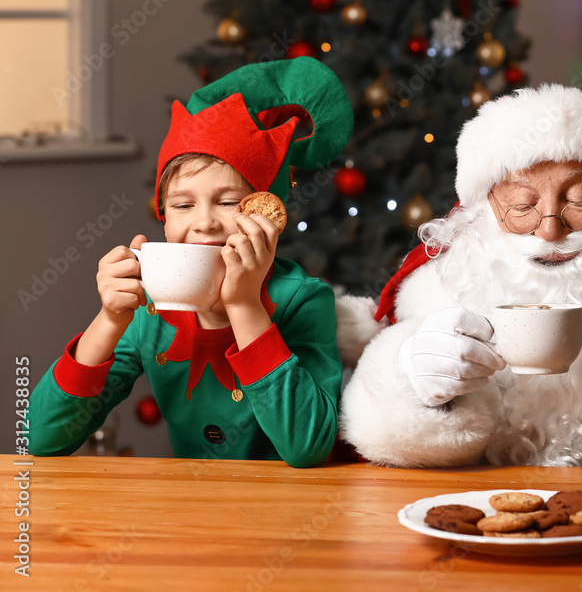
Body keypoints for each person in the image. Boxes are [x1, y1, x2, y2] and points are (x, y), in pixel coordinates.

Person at [335, 84, 582, 468]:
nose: (549, 231)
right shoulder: (437, 292)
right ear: (487, 205)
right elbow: (378, 432)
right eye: (523, 206)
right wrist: (411, 388)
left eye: (581, 201)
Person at [30, 58, 354, 467]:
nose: (204, 222)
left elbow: (309, 447)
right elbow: (42, 440)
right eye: (183, 204)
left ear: (265, 214)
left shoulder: (303, 300)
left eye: (229, 201)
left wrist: (243, 305)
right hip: (190, 511)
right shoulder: (150, 310)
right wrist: (109, 320)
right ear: (164, 216)